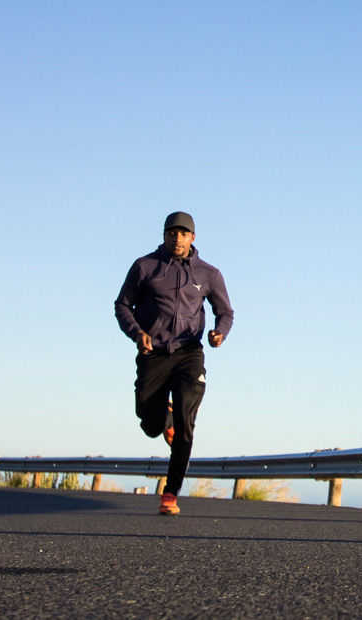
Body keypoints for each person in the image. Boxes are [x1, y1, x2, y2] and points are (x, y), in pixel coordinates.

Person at [114, 212, 234, 515]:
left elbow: (226, 312)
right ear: (164, 235)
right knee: (150, 423)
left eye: (183, 234)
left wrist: (220, 332)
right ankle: (161, 419)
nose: (177, 239)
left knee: (186, 422)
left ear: (193, 238)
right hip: (153, 353)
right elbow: (122, 305)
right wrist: (137, 333)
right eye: (172, 233)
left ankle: (170, 493)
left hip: (189, 354)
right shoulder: (145, 267)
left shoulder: (208, 273)